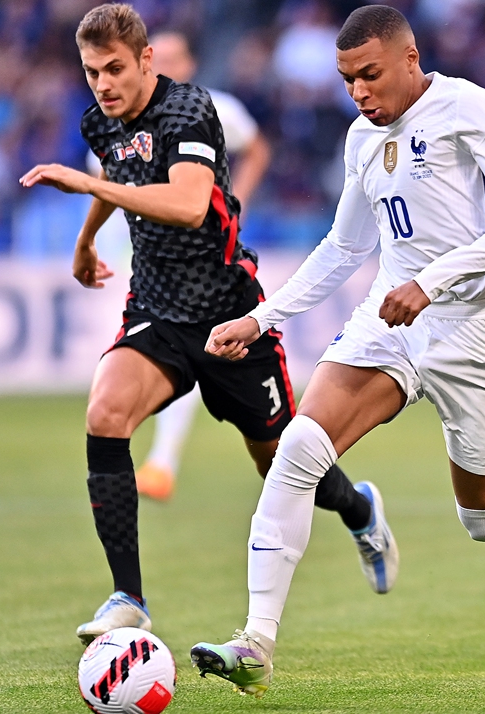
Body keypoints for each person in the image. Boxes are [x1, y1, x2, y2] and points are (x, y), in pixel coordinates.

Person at [188, 5, 485, 698]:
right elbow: (345, 247)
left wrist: (434, 279)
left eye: (370, 75)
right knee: (299, 449)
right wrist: (260, 316)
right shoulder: (362, 139)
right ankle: (256, 641)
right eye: (347, 79)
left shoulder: (470, 108)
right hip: (394, 319)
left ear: (410, 59)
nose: (358, 92)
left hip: (481, 328)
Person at [19, 3, 397, 645]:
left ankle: (360, 509)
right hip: (157, 310)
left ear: (145, 60)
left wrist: (88, 191)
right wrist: (86, 241)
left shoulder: (192, 110)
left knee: (280, 462)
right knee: (105, 415)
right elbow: (120, 171)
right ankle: (128, 598)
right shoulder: (100, 120)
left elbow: (191, 205)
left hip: (232, 320)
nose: (103, 84)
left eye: (115, 68)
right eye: (91, 72)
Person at [133, 29, 273, 503]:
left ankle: (162, 462)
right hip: (151, 251)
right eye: (157, 58)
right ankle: (163, 459)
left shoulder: (216, 109)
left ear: (191, 65)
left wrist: (239, 202)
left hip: (206, 250)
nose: (165, 66)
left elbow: (257, 149)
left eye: (174, 57)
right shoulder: (130, 115)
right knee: (179, 345)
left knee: (192, 342)